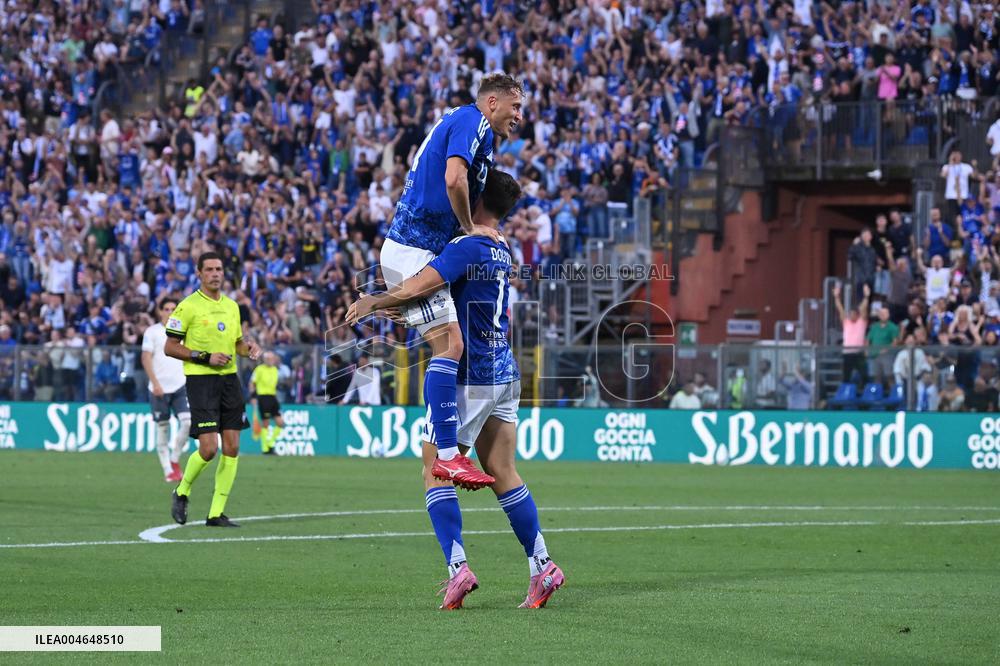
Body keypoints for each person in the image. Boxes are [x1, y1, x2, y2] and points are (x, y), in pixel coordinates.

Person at [347, 170, 564, 610]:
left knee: (433, 468)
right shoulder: (500, 247)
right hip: (504, 368)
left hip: (471, 374)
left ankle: (457, 568)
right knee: (503, 470)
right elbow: (442, 297)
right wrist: (408, 310)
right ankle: (541, 564)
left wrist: (375, 301)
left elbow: (421, 283)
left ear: (477, 196)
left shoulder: (466, 246)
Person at [378, 72, 523, 491]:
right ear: (492, 102)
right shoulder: (471, 121)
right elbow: (453, 179)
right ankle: (447, 457)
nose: (518, 116)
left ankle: (447, 456)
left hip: (418, 251)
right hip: (413, 248)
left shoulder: (480, 135)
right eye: (514, 107)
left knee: (448, 341)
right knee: (452, 346)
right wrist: (468, 228)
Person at [165, 252, 262, 528]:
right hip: (201, 382)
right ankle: (181, 491)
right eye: (209, 270)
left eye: (219, 269)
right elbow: (170, 347)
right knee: (209, 449)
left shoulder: (232, 306)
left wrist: (249, 348)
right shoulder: (187, 306)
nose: (215, 274)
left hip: (229, 381)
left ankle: (216, 513)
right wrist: (204, 357)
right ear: (199, 273)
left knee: (232, 447)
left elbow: (238, 343)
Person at [141, 297, 191, 482]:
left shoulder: (183, 332)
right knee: (163, 428)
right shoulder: (152, 332)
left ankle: (174, 459)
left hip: (180, 386)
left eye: (173, 309)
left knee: (188, 422)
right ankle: (167, 469)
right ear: (160, 311)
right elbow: (146, 358)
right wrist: (155, 383)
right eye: (167, 309)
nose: (170, 312)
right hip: (158, 387)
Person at [249, 351, 283, 455]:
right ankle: (265, 448)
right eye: (268, 359)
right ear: (264, 360)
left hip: (273, 397)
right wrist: (253, 396)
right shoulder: (259, 369)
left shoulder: (275, 370)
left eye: (272, 358)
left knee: (280, 423)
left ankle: (270, 443)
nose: (270, 360)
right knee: (266, 424)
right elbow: (252, 383)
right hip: (263, 398)